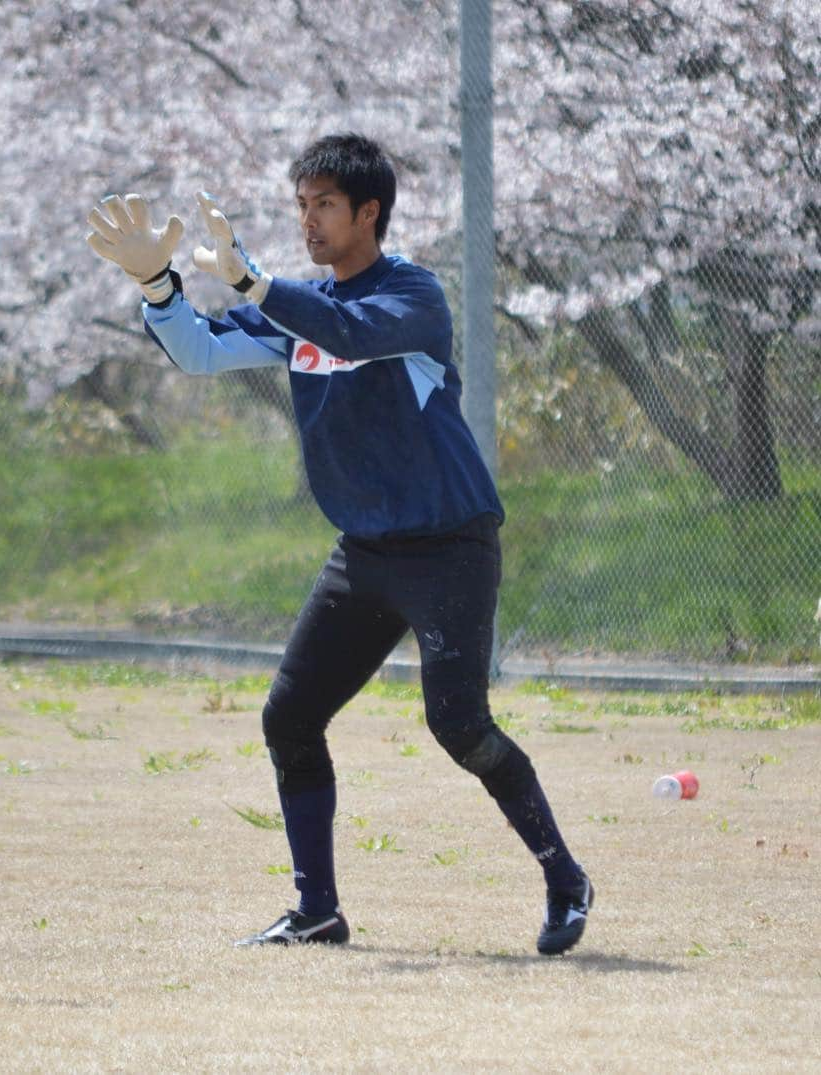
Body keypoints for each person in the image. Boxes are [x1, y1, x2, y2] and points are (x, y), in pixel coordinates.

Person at [86, 132, 592, 955]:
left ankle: (565, 878)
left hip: (449, 547)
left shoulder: (414, 297)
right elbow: (196, 350)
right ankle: (316, 909)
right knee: (289, 717)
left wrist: (256, 281)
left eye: (325, 204)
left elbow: (350, 333)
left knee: (459, 725)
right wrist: (158, 284)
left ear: (370, 212)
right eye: (302, 205)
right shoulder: (295, 306)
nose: (310, 220)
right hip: (363, 552)